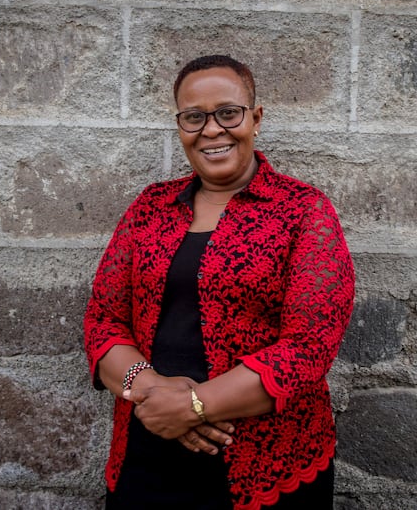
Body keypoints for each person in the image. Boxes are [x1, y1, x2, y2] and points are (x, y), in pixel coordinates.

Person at [84, 55, 355, 510]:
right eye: (194, 117)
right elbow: (103, 320)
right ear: (180, 125)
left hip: (268, 458)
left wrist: (194, 406)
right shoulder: (150, 208)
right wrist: (150, 392)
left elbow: (309, 346)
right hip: (149, 447)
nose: (212, 130)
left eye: (228, 112)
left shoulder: (303, 211)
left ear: (256, 117)